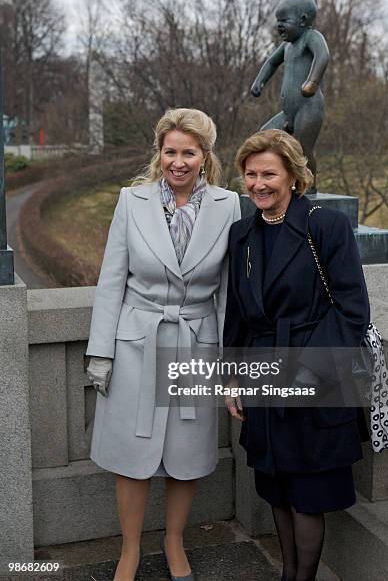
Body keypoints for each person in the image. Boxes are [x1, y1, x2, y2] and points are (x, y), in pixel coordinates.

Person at [86, 108, 240, 581]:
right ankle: (129, 550)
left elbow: (229, 292)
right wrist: (101, 353)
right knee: (132, 455)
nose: (178, 161)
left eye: (188, 152)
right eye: (170, 151)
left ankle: (174, 542)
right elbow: (111, 281)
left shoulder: (228, 204)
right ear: (160, 153)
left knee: (186, 454)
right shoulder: (131, 201)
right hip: (138, 340)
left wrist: (229, 364)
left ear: (204, 156)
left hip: (196, 342)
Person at [223, 129, 370, 581]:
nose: (258, 184)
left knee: (307, 490)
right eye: (251, 174)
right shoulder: (242, 232)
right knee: (278, 487)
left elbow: (352, 310)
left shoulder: (325, 225)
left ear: (292, 176)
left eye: (269, 173)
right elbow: (238, 313)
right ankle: (289, 574)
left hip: (314, 376)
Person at [251, 0, 329, 185]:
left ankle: (308, 186)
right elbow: (271, 62)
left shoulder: (311, 37)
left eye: (284, 21)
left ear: (302, 20)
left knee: (303, 148)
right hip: (288, 112)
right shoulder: (287, 46)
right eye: (278, 21)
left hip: (309, 107)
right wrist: (259, 82)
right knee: (264, 137)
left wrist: (312, 82)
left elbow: (323, 56)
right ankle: (277, 178)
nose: (279, 26)